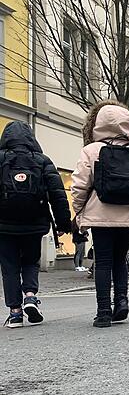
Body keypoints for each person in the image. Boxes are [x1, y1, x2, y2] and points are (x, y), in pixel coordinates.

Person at [72, 100, 129, 328]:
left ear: (97, 124)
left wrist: (80, 209)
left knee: (102, 261)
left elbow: (80, 185)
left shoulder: (91, 150)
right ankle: (121, 301)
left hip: (100, 216)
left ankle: (103, 312)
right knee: (120, 259)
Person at [0, 122, 71, 328]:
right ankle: (30, 297)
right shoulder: (42, 161)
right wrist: (63, 223)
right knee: (31, 261)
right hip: (34, 223)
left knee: (9, 267)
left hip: (4, 224)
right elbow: (58, 195)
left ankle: (15, 313)